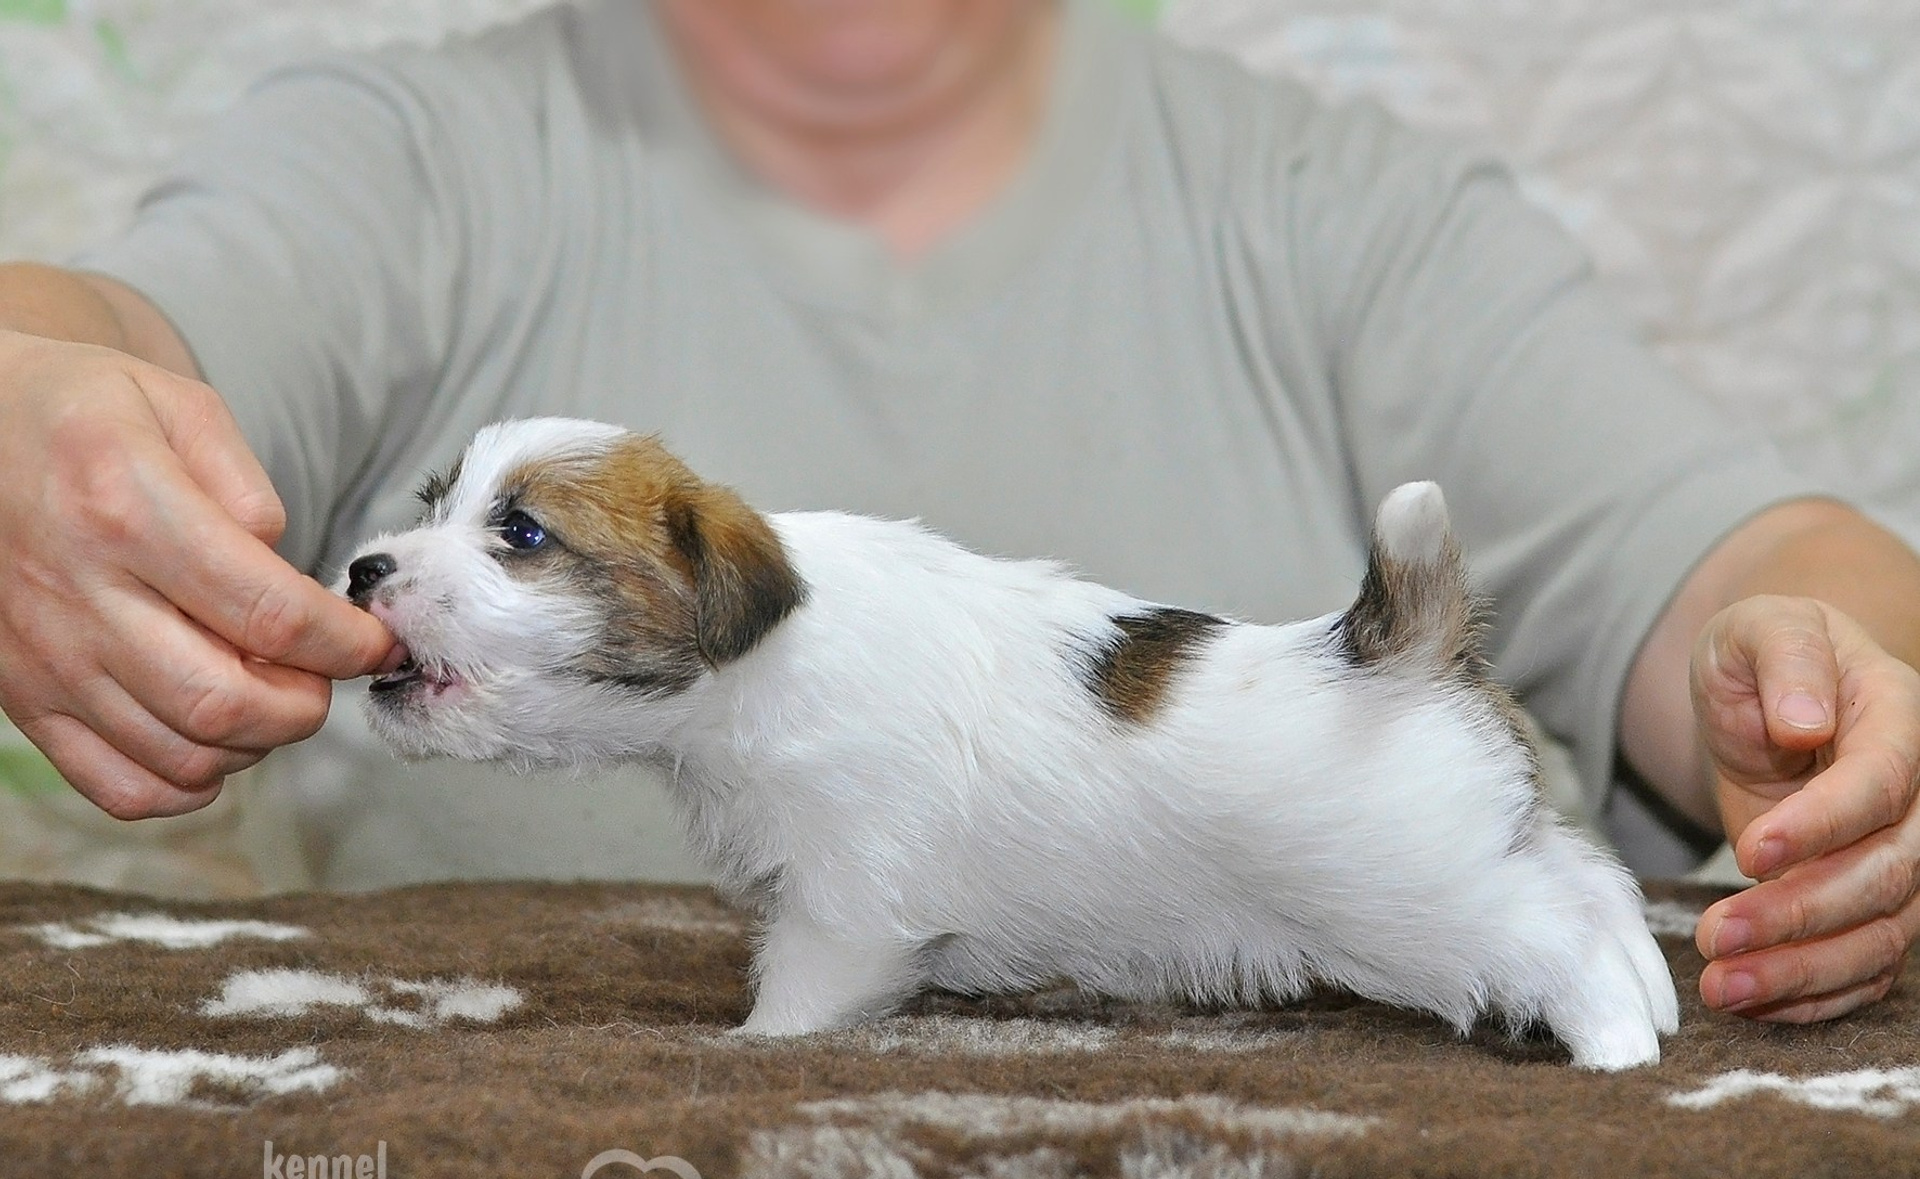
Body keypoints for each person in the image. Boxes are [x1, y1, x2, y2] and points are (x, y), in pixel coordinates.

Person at [0, 0, 1915, 1026]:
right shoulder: (404, 167)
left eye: (506, 535)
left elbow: (1746, 565)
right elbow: (85, 334)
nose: (450, 550)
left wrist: (1845, 702)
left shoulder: (1341, 203)